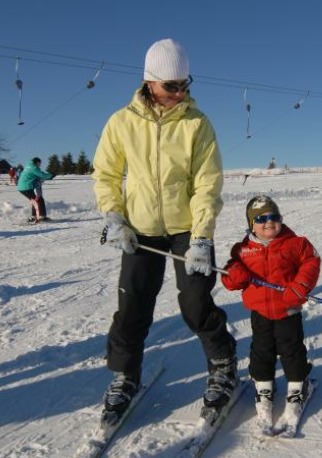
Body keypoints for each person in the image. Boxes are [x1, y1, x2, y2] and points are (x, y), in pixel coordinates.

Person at [92, 38, 237, 417]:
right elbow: (106, 175)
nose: (179, 93)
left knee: (195, 302)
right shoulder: (122, 122)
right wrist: (114, 216)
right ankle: (125, 374)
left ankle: (223, 365)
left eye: (185, 85)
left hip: (186, 227)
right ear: (150, 81)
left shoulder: (197, 124)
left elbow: (208, 183)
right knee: (133, 305)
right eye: (171, 86)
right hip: (140, 229)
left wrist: (202, 237)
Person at [221, 195, 320, 428]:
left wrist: (300, 287)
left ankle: (298, 386)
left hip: (288, 310)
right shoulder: (243, 250)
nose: (269, 222)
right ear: (251, 224)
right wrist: (234, 274)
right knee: (261, 351)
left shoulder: (296, 243)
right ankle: (264, 387)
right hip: (260, 312)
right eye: (261, 218)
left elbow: (311, 263)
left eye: (274, 216)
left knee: (292, 350)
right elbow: (229, 273)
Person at [17, 157, 54, 222]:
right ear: (37, 162)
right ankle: (42, 217)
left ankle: (34, 216)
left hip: (22, 186)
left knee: (35, 200)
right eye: (40, 163)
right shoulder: (34, 168)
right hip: (26, 187)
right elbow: (42, 175)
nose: (40, 165)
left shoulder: (28, 165)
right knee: (39, 200)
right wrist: (51, 175)